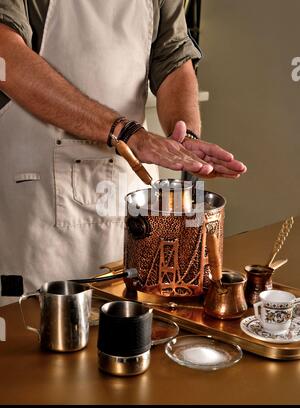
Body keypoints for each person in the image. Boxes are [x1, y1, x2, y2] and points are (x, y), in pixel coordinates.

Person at [0, 0, 246, 292]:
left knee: (131, 317)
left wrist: (185, 138)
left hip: (126, 188)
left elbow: (173, 58)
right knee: (34, 326)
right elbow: (7, 58)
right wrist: (126, 133)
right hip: (37, 200)